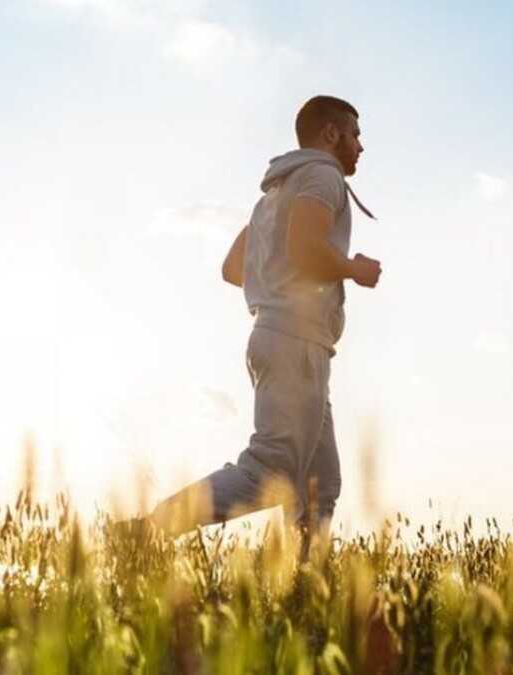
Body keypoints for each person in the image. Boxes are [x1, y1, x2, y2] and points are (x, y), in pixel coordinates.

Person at [145, 95, 381, 552]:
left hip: (277, 335)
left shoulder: (276, 192)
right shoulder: (321, 175)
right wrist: (353, 268)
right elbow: (305, 249)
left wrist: (275, 290)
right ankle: (148, 531)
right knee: (271, 469)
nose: (360, 146)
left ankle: (306, 589)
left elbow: (235, 268)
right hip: (295, 341)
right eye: (354, 134)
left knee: (319, 483)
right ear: (330, 134)